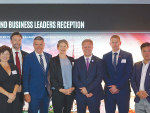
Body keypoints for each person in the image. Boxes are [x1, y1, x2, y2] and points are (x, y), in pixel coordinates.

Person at [103, 35, 133, 113]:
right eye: (113, 42)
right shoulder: (105, 57)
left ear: (120, 43)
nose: (115, 44)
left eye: (116, 42)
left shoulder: (128, 56)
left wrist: (117, 86)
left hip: (123, 91)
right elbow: (104, 73)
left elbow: (128, 73)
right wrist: (111, 87)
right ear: (110, 43)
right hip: (109, 92)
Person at [73, 39, 105, 113]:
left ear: (92, 47)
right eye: (85, 47)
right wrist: (84, 90)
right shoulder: (77, 61)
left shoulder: (99, 61)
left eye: (89, 47)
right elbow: (75, 77)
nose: (87, 49)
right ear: (82, 48)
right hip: (81, 95)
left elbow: (99, 78)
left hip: (94, 94)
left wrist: (87, 90)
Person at [23, 36, 52, 113]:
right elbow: (25, 77)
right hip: (33, 93)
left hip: (46, 93)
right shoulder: (28, 58)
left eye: (41, 44)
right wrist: (26, 93)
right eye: (36, 44)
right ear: (33, 45)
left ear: (44, 44)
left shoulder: (49, 56)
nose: (39, 47)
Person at [50, 39, 75, 113]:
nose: (63, 48)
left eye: (64, 46)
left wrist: (73, 87)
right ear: (58, 48)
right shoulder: (53, 60)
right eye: (61, 46)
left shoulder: (72, 60)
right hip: (58, 92)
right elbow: (52, 76)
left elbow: (75, 74)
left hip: (70, 91)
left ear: (67, 47)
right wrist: (61, 89)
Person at [8, 31, 28, 112]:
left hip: (22, 90)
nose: (17, 42)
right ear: (11, 41)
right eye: (15, 40)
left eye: (19, 40)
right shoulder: (4, 55)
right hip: (8, 90)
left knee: (19, 110)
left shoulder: (27, 56)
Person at [0, 45, 20, 113]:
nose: (5, 56)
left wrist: (13, 95)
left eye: (7, 53)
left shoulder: (14, 67)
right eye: (2, 53)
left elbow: (18, 81)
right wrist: (9, 95)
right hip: (2, 99)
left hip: (14, 98)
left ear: (10, 55)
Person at [131, 42, 150, 113]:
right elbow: (132, 80)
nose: (146, 53)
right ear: (141, 52)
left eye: (149, 51)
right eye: (144, 51)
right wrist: (137, 92)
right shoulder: (136, 65)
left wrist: (147, 93)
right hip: (139, 100)